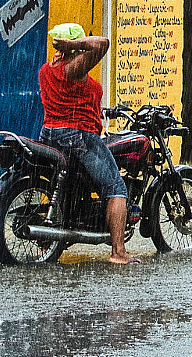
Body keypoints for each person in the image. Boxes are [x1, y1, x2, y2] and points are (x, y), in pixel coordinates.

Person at [39, 23, 135, 265]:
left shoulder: (46, 70)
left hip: (50, 133)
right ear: (72, 46)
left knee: (72, 184)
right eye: (79, 44)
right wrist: (74, 46)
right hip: (78, 135)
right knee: (116, 189)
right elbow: (103, 44)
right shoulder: (72, 68)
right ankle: (119, 252)